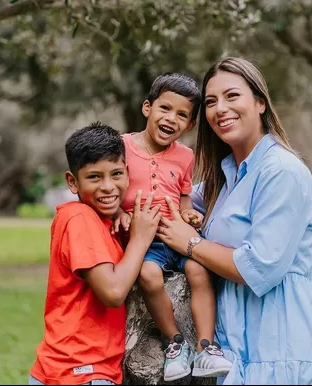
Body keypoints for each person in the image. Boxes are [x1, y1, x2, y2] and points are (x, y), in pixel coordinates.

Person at [155, 57, 312, 385]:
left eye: (232, 96)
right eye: (211, 102)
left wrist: (190, 242)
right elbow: (166, 195)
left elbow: (257, 267)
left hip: (283, 354)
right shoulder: (224, 180)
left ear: (260, 102)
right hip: (239, 358)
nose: (220, 109)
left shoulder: (282, 172)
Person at [112, 72, 233, 381]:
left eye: (182, 115)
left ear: (191, 125)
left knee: (199, 271)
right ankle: (174, 342)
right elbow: (110, 192)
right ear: (147, 108)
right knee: (149, 275)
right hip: (146, 242)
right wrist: (119, 215)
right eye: (165, 109)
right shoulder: (122, 147)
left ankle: (207, 347)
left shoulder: (185, 156)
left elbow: (184, 200)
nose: (171, 119)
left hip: (179, 237)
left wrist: (191, 215)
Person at [29, 122, 162, 385]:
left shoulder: (102, 222)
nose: (108, 186)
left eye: (116, 174)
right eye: (94, 177)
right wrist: (140, 239)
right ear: (72, 181)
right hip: (79, 372)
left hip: (78, 371)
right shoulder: (79, 218)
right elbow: (112, 292)